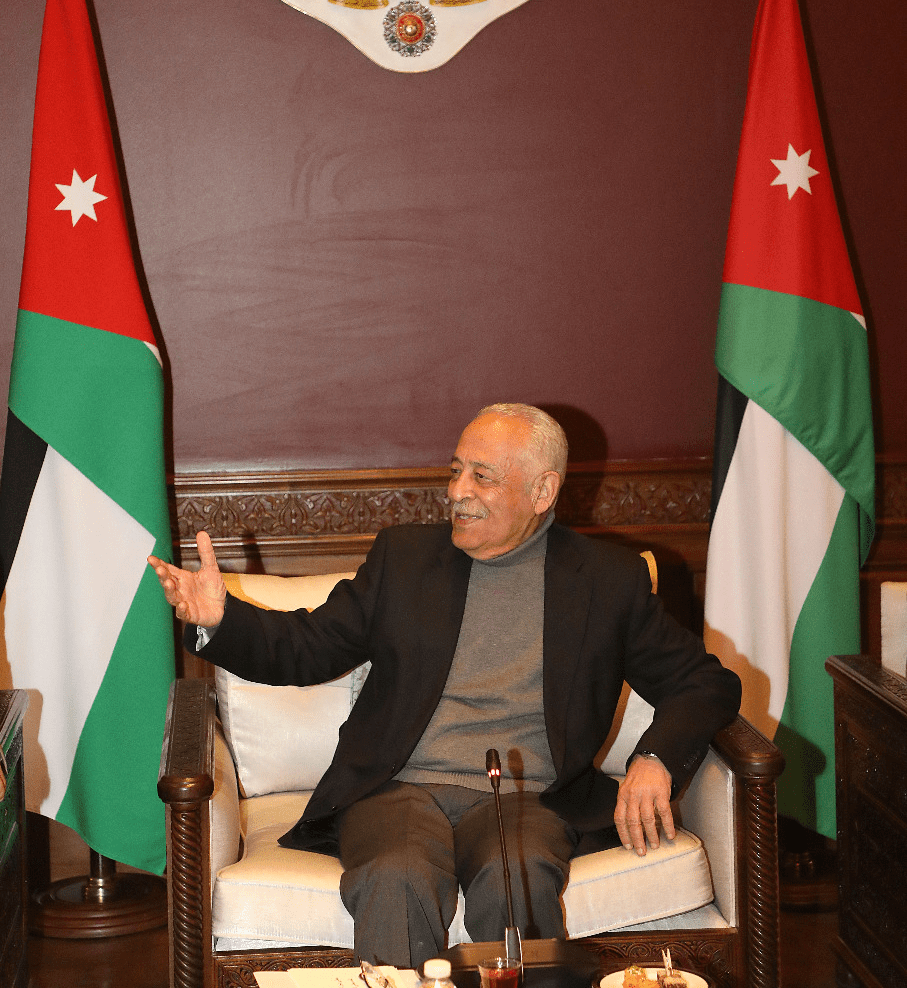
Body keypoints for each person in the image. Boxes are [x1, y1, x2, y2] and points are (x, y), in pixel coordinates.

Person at [148, 403, 740, 968]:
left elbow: (704, 683)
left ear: (543, 491)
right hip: (397, 789)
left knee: (518, 880)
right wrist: (221, 622)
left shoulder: (608, 581)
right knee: (396, 877)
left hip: (529, 798)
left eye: (482, 476)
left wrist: (654, 759)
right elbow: (306, 648)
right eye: (456, 471)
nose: (457, 491)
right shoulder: (405, 560)